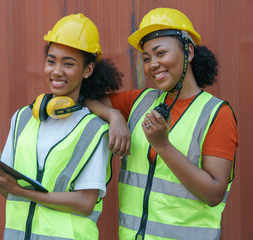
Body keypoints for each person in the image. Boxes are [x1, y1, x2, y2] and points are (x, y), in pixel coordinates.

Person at [85, 8, 238, 240]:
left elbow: (214, 193)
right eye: (146, 58)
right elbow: (85, 100)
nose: (153, 64)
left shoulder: (217, 114)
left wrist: (163, 145)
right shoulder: (139, 101)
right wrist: (113, 115)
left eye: (160, 53)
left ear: (188, 51)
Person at [0, 13, 123, 240]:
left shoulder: (94, 130)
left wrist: (20, 190)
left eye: (68, 64)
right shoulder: (23, 118)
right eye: (51, 61)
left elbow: (85, 203)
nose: (56, 71)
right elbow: (9, 193)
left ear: (88, 70)